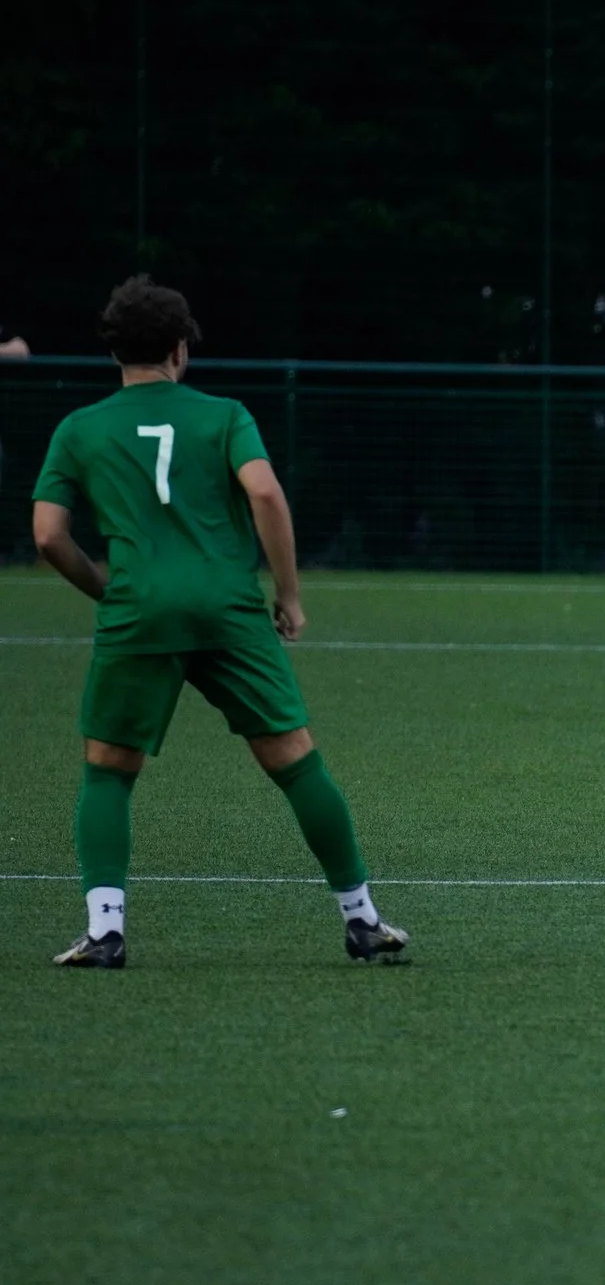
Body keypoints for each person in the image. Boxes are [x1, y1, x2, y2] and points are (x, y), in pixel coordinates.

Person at [30, 275, 408, 968]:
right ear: (180, 348)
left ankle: (106, 931)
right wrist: (288, 594)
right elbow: (264, 490)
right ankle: (362, 919)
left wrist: (105, 590)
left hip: (139, 610)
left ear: (114, 351)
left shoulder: (79, 428)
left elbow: (49, 535)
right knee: (295, 759)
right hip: (228, 608)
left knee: (109, 771)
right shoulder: (225, 415)